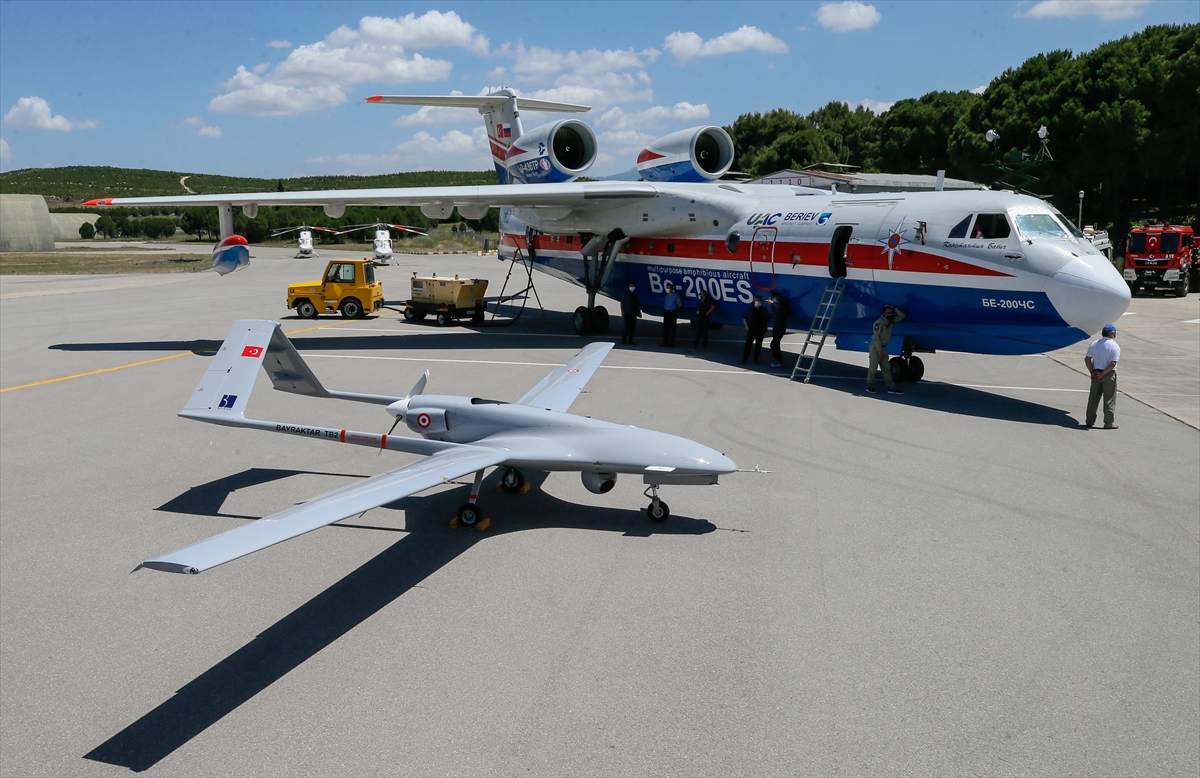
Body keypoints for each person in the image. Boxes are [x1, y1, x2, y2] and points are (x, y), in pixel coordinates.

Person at [1084, 323, 1120, 429]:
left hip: (1095, 373)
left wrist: (1092, 372)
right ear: (1112, 334)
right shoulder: (1114, 346)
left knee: (1093, 399)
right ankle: (1108, 423)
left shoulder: (1094, 343)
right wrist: (1103, 374)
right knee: (1109, 399)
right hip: (1108, 374)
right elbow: (1113, 363)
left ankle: (1089, 421)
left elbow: (1087, 359)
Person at [866, 304, 905, 395]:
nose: (890, 314)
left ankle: (891, 387)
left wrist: (895, 309)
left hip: (883, 347)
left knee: (886, 368)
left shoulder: (890, 321)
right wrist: (879, 350)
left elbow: (902, 316)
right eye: (888, 313)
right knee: (873, 367)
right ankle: (870, 386)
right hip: (876, 347)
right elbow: (875, 337)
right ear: (884, 313)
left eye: (891, 313)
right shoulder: (879, 323)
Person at [742, 295, 770, 364]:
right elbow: (745, 318)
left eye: (759, 300)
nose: (757, 302)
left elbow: (767, 319)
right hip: (751, 330)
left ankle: (756, 359)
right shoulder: (750, 309)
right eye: (756, 300)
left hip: (760, 330)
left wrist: (765, 327)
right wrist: (747, 328)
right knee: (748, 345)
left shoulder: (763, 310)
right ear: (754, 300)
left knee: (758, 346)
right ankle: (744, 359)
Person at [689, 288, 717, 353]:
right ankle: (694, 347)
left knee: (704, 333)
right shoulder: (700, 301)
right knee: (698, 333)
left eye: (700, 294)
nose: (699, 295)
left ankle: (704, 347)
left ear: (703, 294)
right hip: (699, 318)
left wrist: (707, 313)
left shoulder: (707, 301)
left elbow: (713, 307)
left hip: (705, 319)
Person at [767, 292, 791, 367]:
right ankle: (776, 359)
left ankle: (778, 360)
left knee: (774, 344)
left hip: (781, 327)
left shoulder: (783, 303)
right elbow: (777, 304)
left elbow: (779, 304)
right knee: (775, 344)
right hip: (776, 327)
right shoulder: (778, 305)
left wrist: (772, 302)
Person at [661, 281, 683, 347]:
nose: (667, 289)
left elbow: (679, 304)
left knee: (672, 328)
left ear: (672, 288)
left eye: (668, 287)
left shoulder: (676, 296)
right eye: (667, 287)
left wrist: (674, 309)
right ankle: (665, 342)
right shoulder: (666, 296)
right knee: (665, 328)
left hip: (672, 312)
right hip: (666, 312)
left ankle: (671, 343)